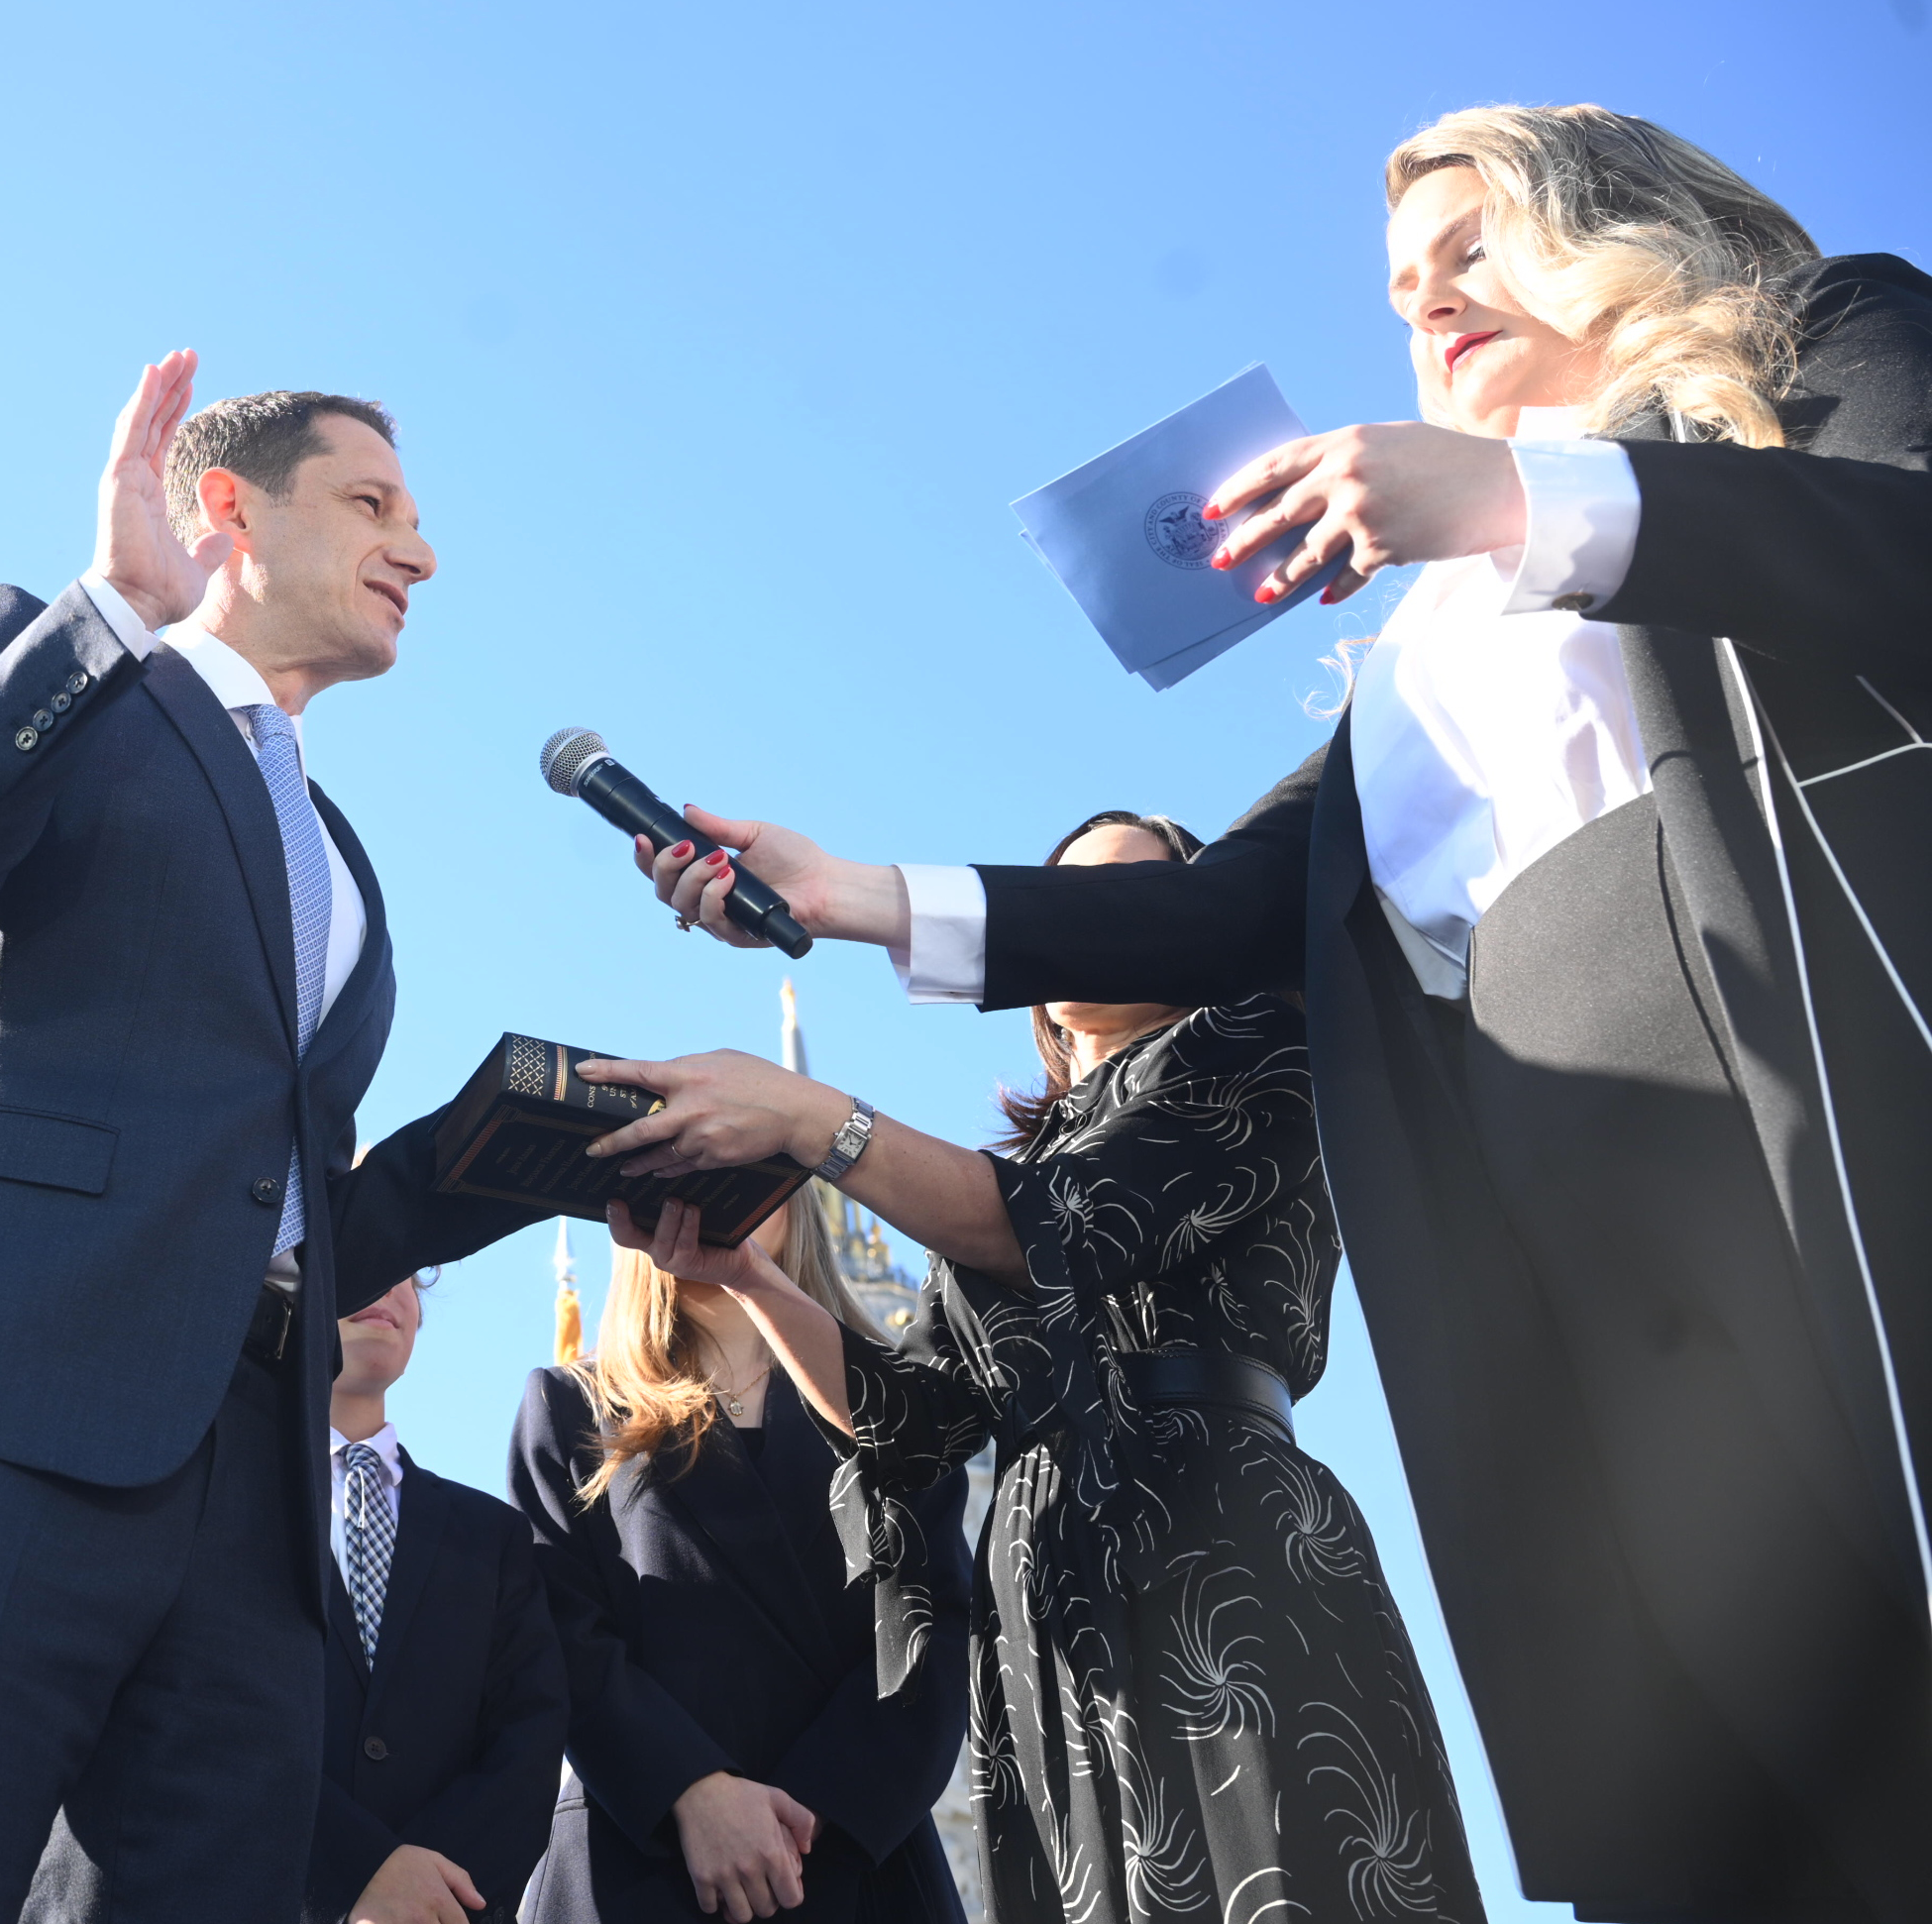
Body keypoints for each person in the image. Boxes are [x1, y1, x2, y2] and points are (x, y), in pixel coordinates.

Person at [629, 107, 1932, 1919]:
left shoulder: (1806, 351)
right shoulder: (1417, 656)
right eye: (1403, 290)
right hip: (1546, 1269)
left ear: (1613, 221)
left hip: (1817, 1158)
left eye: (1472, 246)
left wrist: (1509, 498)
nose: (1433, 303)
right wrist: (852, 896)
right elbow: (1216, 905)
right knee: (1730, 1783)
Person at [0, 357, 540, 1924]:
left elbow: (274, 1200)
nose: (419, 551)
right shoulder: (53, 655)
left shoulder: (344, 861)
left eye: (421, 519)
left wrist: (534, 1152)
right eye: (374, 505)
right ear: (227, 508)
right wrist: (104, 611)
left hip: (247, 1506)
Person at [584, 811, 1478, 1924]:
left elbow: (1064, 1223)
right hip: (1049, 1607)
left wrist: (816, 1120)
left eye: (1126, 900)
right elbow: (903, 1417)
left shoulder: (1261, 1050)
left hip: (1216, 1555)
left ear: (1194, 926)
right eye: (1068, 907)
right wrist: (756, 1282)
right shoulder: (1013, 1169)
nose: (1088, 928)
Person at [507, 1192, 972, 1924]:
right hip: (642, 1860)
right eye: (686, 1173)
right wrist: (693, 1791)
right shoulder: (569, 1406)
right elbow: (559, 1635)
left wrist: (807, 1819)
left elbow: (937, 1630)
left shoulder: (894, 1410)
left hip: (851, 1861)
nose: (719, 1192)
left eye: (748, 1164)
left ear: (796, 1200)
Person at [310, 1274, 570, 1924]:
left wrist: (431, 1894)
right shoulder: (215, 1495)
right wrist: (356, 1868)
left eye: (411, 1273)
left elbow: (529, 1738)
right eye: (358, 1255)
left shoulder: (491, 1535)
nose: (388, 1283)